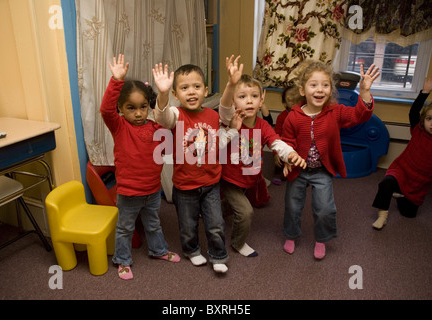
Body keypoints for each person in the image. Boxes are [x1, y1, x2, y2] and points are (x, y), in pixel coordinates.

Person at [281, 60, 380, 259]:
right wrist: (287, 160)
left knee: (325, 209)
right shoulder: (293, 116)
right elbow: (286, 142)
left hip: (321, 170)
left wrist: (365, 92)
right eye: (314, 85)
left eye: (325, 85)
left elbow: (359, 115)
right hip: (298, 171)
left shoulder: (335, 112)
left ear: (331, 90)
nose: (320, 90)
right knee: (292, 206)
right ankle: (291, 235)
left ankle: (321, 239)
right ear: (302, 90)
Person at [100, 54, 180, 280]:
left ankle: (159, 250)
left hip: (153, 190)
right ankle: (122, 261)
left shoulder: (155, 127)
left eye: (143, 107)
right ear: (121, 108)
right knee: (125, 228)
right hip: (129, 193)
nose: (138, 113)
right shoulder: (119, 126)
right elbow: (105, 111)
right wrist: (116, 81)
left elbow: (168, 145)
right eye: (131, 107)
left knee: (154, 224)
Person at [218, 55, 306, 258]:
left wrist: (290, 153)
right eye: (242, 96)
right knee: (246, 212)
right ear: (233, 100)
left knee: (231, 207)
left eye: (254, 96)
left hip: (249, 179)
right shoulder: (231, 119)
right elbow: (223, 107)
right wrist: (231, 84)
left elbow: (276, 142)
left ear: (262, 98)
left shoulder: (263, 125)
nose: (249, 101)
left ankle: (212, 212)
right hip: (230, 178)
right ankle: (238, 244)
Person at [152, 62, 231, 273]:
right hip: (185, 185)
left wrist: (232, 132)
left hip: (211, 182)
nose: (191, 92)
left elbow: (218, 141)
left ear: (205, 90)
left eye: (196, 86)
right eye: (184, 88)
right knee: (188, 226)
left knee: (216, 224)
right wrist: (162, 93)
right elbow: (161, 117)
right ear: (176, 95)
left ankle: (218, 255)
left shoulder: (213, 116)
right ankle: (192, 251)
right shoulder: (176, 115)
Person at [371, 77, 432, 229]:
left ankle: (400, 194)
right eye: (430, 119)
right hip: (402, 170)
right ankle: (382, 216)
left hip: (419, 183)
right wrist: (425, 92)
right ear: (424, 120)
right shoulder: (418, 131)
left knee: (409, 214)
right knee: (386, 184)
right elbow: (413, 113)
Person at [272, 85, 299, 185]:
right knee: (280, 160)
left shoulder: (304, 115)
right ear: (284, 102)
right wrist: (275, 153)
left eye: (295, 98)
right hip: (284, 145)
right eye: (289, 99)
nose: (293, 101)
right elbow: (276, 136)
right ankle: (279, 172)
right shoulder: (282, 117)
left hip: (297, 147)